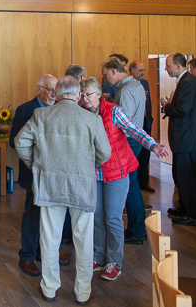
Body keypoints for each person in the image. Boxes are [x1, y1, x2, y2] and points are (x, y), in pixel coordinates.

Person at [15, 76, 111, 305]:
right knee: (84, 241)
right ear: (78, 95)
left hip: (50, 184)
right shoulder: (92, 119)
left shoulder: (41, 115)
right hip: (82, 185)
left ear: (56, 95)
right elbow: (105, 154)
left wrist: (36, 165)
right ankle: (83, 291)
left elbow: (20, 143)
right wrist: (88, 164)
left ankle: (49, 288)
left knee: (49, 238)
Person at [80, 77, 168, 281]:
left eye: (89, 95)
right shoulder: (82, 113)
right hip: (94, 173)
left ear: (99, 94)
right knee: (97, 217)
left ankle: (114, 262)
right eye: (82, 95)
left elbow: (134, 130)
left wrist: (153, 145)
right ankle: (99, 257)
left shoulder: (113, 111)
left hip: (117, 172)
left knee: (112, 217)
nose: (85, 99)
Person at [9, 74, 70, 277]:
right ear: (39, 89)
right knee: (33, 215)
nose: (54, 95)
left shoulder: (59, 109)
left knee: (52, 215)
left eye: (56, 91)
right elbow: (14, 141)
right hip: (33, 172)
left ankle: (46, 252)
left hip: (55, 172)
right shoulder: (25, 109)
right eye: (50, 90)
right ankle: (27, 256)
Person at [102, 56, 148, 245]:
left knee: (130, 185)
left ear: (114, 71)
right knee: (132, 183)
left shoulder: (126, 89)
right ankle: (138, 229)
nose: (105, 79)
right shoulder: (135, 85)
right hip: (134, 141)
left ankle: (137, 230)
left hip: (128, 141)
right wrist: (112, 100)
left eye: (105, 75)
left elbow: (124, 119)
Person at [161, 53, 196, 226]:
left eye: (168, 65)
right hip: (186, 138)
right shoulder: (187, 80)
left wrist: (167, 106)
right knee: (183, 175)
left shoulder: (188, 82)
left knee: (188, 176)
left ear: (178, 66)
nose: (165, 68)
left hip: (188, 138)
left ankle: (194, 214)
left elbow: (182, 110)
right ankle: (185, 207)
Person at [129, 60, 155, 193]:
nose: (143, 73)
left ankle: (144, 182)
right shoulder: (127, 86)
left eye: (143, 70)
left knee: (145, 154)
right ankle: (135, 184)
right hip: (132, 126)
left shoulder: (145, 84)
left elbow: (148, 103)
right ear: (132, 70)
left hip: (145, 122)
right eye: (140, 70)